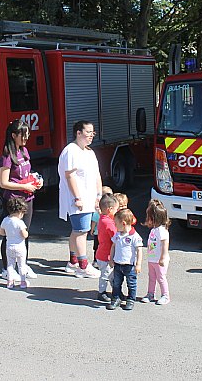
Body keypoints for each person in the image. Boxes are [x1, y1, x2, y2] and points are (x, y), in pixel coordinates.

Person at [0, 120, 42, 281]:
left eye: (28, 134)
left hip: (27, 198)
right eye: (23, 135)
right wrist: (24, 186)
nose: (26, 138)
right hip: (13, 201)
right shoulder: (7, 156)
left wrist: (36, 180)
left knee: (25, 233)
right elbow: (3, 182)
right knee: (11, 234)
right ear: (13, 135)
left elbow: (26, 173)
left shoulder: (24, 151)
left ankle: (23, 264)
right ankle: (7, 268)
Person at [58, 120, 102, 278]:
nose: (91, 135)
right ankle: (83, 266)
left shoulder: (89, 152)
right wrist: (77, 197)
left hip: (90, 199)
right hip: (78, 199)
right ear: (78, 133)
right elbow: (69, 176)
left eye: (92, 132)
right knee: (81, 231)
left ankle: (73, 262)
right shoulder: (71, 151)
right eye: (88, 132)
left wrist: (99, 195)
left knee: (77, 231)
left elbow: (97, 175)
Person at [107, 209, 143, 310]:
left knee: (131, 283)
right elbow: (113, 246)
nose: (115, 226)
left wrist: (138, 264)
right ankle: (116, 299)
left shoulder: (134, 236)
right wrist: (111, 258)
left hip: (129, 265)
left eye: (115, 223)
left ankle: (131, 300)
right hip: (118, 264)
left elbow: (139, 250)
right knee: (116, 283)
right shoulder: (117, 235)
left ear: (123, 223)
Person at [142, 199, 171, 305]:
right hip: (152, 258)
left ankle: (165, 295)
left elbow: (164, 244)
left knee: (161, 277)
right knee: (152, 277)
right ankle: (150, 293)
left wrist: (163, 257)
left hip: (159, 259)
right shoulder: (154, 230)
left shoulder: (162, 231)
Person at [0, 197, 30, 289]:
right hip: (20, 247)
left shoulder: (5, 220)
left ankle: (10, 282)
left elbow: (1, 232)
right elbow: (24, 235)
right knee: (22, 265)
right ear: (20, 211)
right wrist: (26, 233)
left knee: (10, 265)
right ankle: (23, 282)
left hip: (9, 247)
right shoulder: (20, 223)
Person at [96, 193, 118, 302]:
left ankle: (116, 291)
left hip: (103, 253)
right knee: (106, 274)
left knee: (110, 274)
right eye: (115, 209)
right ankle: (102, 292)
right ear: (110, 209)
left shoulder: (102, 219)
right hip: (106, 255)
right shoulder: (108, 223)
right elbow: (115, 236)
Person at [90, 185, 113, 268]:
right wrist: (92, 229)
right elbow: (94, 221)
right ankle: (96, 260)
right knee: (98, 247)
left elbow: (94, 221)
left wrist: (92, 230)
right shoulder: (108, 212)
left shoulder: (98, 211)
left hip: (98, 233)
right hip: (99, 233)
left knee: (98, 247)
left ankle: (96, 260)